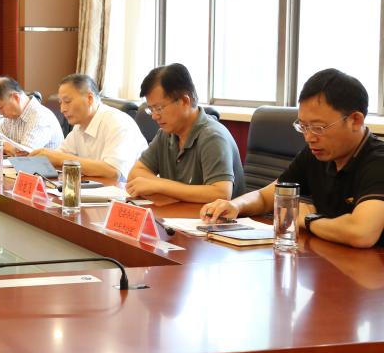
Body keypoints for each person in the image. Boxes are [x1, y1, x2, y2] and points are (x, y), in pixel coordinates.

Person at [202, 69, 384, 248]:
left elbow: (361, 233)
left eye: (318, 128)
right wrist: (235, 205)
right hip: (326, 255)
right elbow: (266, 197)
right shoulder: (316, 154)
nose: (309, 137)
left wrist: (306, 219)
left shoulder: (378, 161)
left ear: (355, 120)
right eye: (303, 126)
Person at [127, 63, 244, 203]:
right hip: (178, 213)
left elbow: (221, 193)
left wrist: (160, 186)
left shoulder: (212, 136)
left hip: (213, 216)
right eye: (150, 109)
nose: (154, 116)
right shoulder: (165, 134)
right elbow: (135, 173)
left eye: (159, 108)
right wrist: (160, 186)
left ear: (184, 100)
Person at [30, 74, 148, 181]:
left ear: (89, 99)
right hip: (96, 190)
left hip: (127, 193)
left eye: (67, 101)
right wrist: (43, 158)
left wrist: (61, 159)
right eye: (60, 102)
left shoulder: (117, 122)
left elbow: (113, 172)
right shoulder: (79, 127)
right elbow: (59, 157)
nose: (62, 109)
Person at [0, 77, 63, 155]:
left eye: (0, 107)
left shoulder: (41, 116)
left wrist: (2, 146)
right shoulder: (11, 116)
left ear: (16, 97)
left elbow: (25, 155)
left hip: (43, 163)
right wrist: (6, 147)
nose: (0, 112)